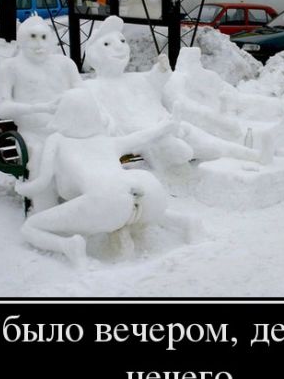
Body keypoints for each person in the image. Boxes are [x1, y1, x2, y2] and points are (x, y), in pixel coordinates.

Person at [15, 88, 203, 266]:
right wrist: (166, 126)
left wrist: (20, 187)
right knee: (133, 206)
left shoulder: (56, 141)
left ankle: (68, 246)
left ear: (63, 114)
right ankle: (186, 222)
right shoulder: (106, 141)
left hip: (106, 202)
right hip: (147, 189)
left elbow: (40, 183)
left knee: (30, 227)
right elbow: (140, 137)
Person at [83, 16, 265, 168]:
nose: (119, 47)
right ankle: (179, 155)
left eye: (122, 41)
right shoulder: (93, 88)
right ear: (95, 54)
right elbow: (104, 122)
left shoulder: (134, 79)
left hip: (170, 124)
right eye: (107, 44)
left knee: (201, 138)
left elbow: (153, 82)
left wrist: (161, 70)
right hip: (148, 137)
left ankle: (247, 154)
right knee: (179, 148)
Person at [0, 15, 82, 211]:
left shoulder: (65, 64)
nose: (39, 44)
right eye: (33, 37)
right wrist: (38, 108)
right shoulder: (10, 67)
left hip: (67, 130)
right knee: (42, 156)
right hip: (32, 133)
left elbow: (83, 93)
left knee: (90, 152)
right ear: (22, 39)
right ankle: (46, 212)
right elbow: (1, 108)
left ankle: (86, 204)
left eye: (43, 37)